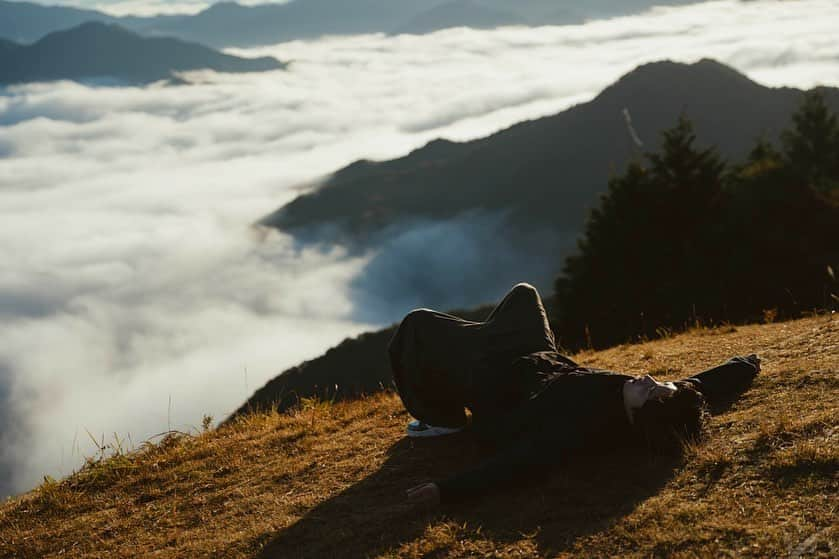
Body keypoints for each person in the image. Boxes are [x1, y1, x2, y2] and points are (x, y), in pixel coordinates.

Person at [388, 283, 761, 506]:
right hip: (534, 354)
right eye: (657, 382)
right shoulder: (642, 400)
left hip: (493, 378)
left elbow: (519, 463)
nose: (646, 377)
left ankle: (442, 421)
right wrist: (746, 364)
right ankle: (481, 337)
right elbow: (702, 386)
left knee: (417, 325)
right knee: (524, 294)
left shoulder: (580, 427)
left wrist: (445, 490)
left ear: (643, 414)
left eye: (650, 389)